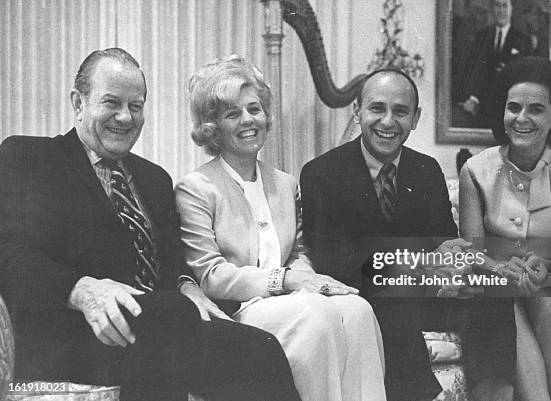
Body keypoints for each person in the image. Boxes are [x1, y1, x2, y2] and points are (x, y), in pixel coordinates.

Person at [0, 48, 302, 401]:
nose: (125, 117)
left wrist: (189, 287)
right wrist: (81, 290)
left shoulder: (153, 179)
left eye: (136, 106)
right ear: (78, 103)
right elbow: (9, 253)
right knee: (171, 315)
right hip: (73, 338)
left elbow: (173, 265)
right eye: (111, 102)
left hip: (158, 330)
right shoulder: (30, 157)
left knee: (261, 347)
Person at [174, 55, 386, 401]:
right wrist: (286, 281)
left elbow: (299, 253)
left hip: (291, 304)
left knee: (357, 309)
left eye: (254, 109)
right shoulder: (196, 187)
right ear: (212, 126)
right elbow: (210, 275)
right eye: (233, 113)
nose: (248, 120)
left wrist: (311, 281)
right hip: (237, 313)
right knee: (316, 315)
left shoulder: (285, 183)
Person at [300, 68, 516, 401]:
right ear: (357, 112)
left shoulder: (426, 169)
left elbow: (443, 238)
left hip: (424, 296)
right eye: (377, 109)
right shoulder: (320, 173)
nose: (388, 121)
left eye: (400, 111)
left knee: (493, 296)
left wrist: (456, 265)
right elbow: (333, 263)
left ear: (415, 118)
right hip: (365, 297)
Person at [460, 56, 551, 401]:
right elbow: (471, 250)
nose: (521, 118)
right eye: (513, 107)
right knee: (504, 302)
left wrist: (542, 268)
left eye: (535, 109)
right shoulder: (476, 170)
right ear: (502, 113)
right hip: (494, 279)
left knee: (547, 299)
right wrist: (500, 269)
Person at [455, 0, 533, 128]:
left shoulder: (524, 40)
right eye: (497, 5)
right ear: (492, 9)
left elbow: (528, 79)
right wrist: (473, 98)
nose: (501, 10)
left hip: (510, 109)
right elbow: (472, 71)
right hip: (482, 108)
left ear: (511, 8)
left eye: (504, 6)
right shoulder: (481, 36)